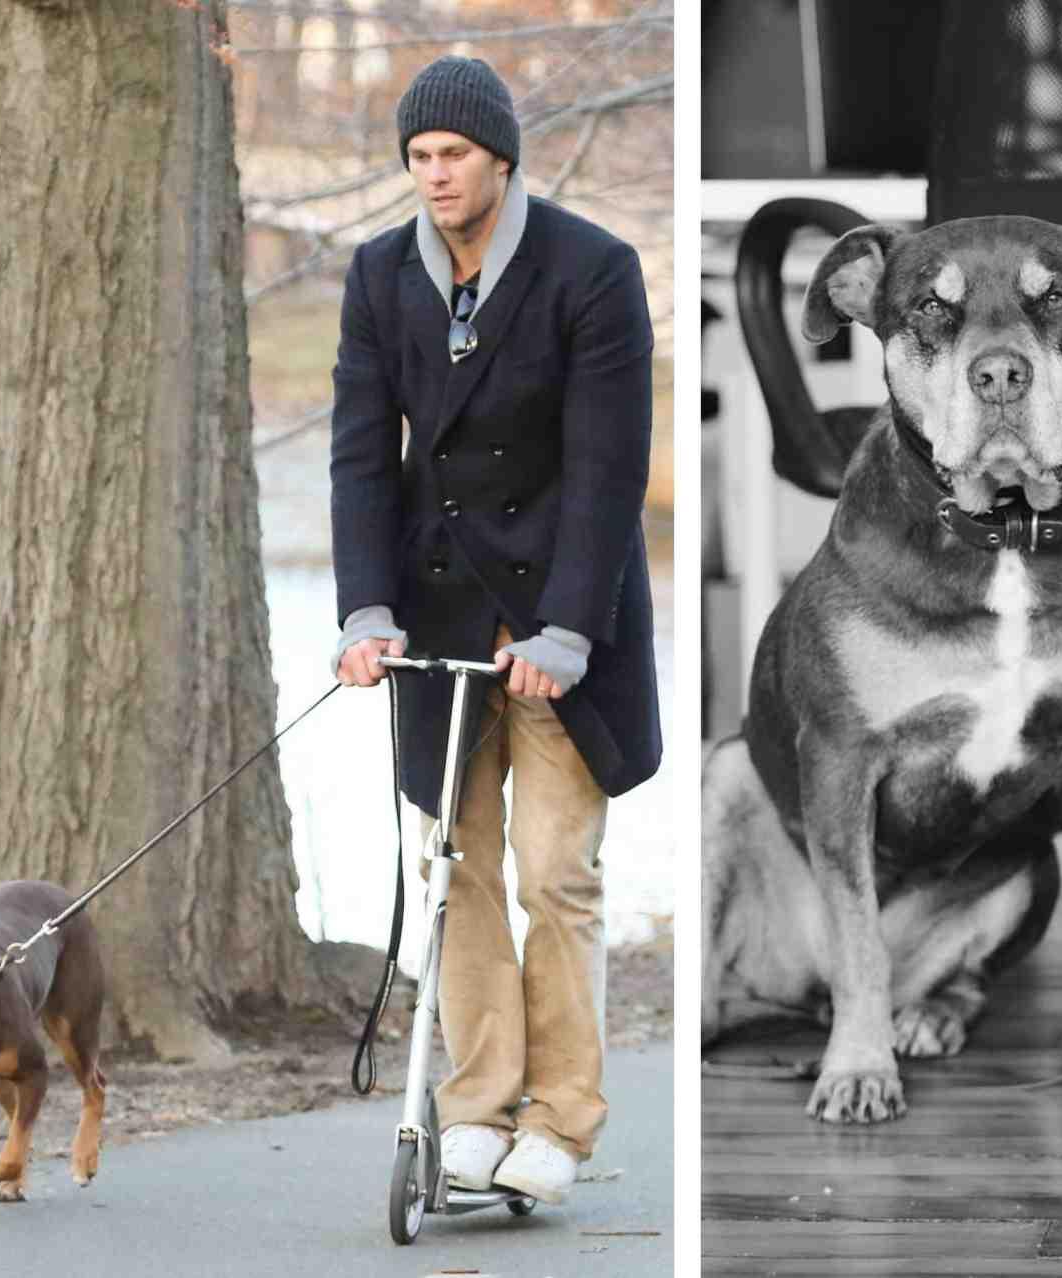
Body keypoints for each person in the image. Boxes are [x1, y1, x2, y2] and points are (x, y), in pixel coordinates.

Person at [327, 54, 661, 1205]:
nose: (433, 176)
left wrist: (568, 629)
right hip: (437, 608)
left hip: (567, 613)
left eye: (452, 155)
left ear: (500, 158)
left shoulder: (592, 269)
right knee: (452, 868)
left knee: (554, 875)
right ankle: (473, 1107)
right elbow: (365, 450)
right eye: (417, 158)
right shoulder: (379, 276)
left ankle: (560, 1125)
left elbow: (611, 467)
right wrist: (366, 609)